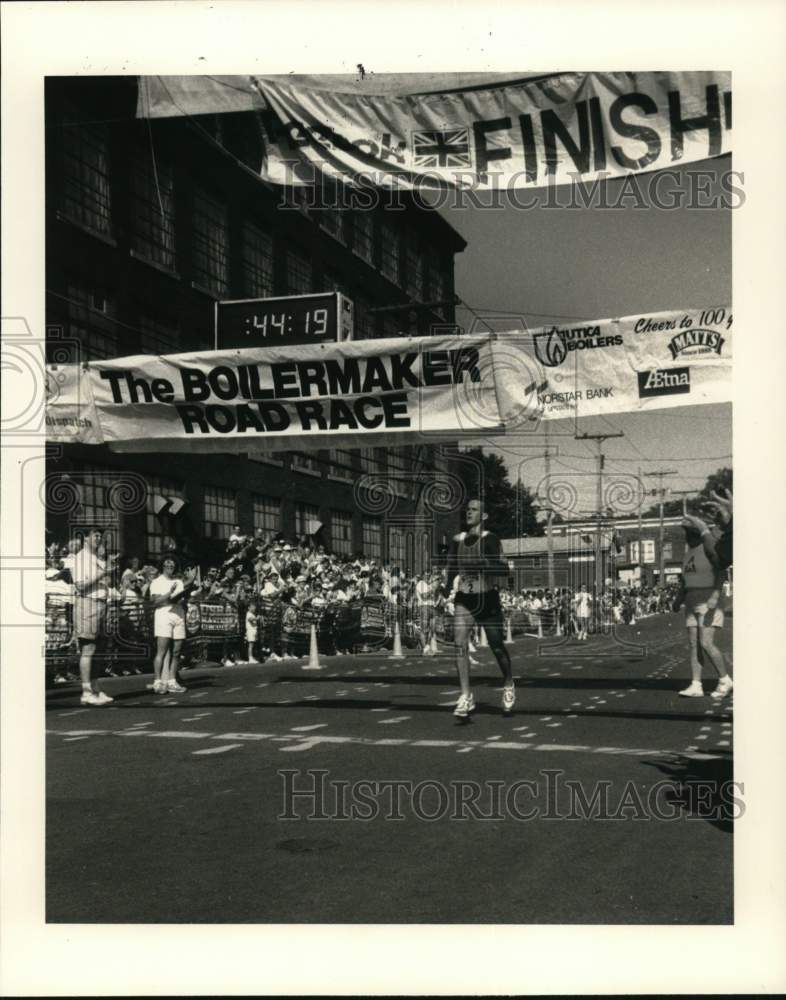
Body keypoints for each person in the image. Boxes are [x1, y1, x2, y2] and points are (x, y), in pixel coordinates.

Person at [444, 498, 515, 718]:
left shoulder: (490, 539)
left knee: (496, 646)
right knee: (459, 644)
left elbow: (503, 570)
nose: (469, 512)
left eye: (474, 510)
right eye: (467, 509)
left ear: (483, 516)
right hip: (465, 599)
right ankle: (466, 695)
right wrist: (447, 588)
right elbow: (453, 567)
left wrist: (482, 564)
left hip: (487, 599)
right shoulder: (458, 540)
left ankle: (509, 683)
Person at [673, 515, 732, 699]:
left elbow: (721, 572)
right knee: (693, 644)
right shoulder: (688, 554)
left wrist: (715, 595)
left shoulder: (707, 548)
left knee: (706, 642)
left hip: (707, 598)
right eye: (686, 534)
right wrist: (678, 599)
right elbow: (684, 581)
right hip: (691, 598)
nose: (688, 537)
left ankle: (725, 679)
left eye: (691, 533)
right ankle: (696, 684)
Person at [71, 527, 118, 706]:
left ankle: (96, 689)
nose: (98, 539)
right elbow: (81, 585)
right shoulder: (80, 558)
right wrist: (102, 574)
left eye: (100, 536)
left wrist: (107, 574)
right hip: (87, 603)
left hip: (100, 603)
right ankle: (86, 692)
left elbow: (105, 582)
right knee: (88, 648)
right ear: (86, 539)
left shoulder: (97, 558)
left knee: (99, 649)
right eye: (95, 536)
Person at [149, 557, 197, 694]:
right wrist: (169, 594)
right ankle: (158, 682)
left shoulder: (179, 581)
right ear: (162, 566)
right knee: (162, 651)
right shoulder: (156, 582)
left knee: (176, 651)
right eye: (167, 564)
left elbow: (182, 598)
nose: (170, 566)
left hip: (179, 614)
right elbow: (155, 602)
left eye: (172, 564)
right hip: (164, 615)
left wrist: (184, 598)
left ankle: (172, 680)